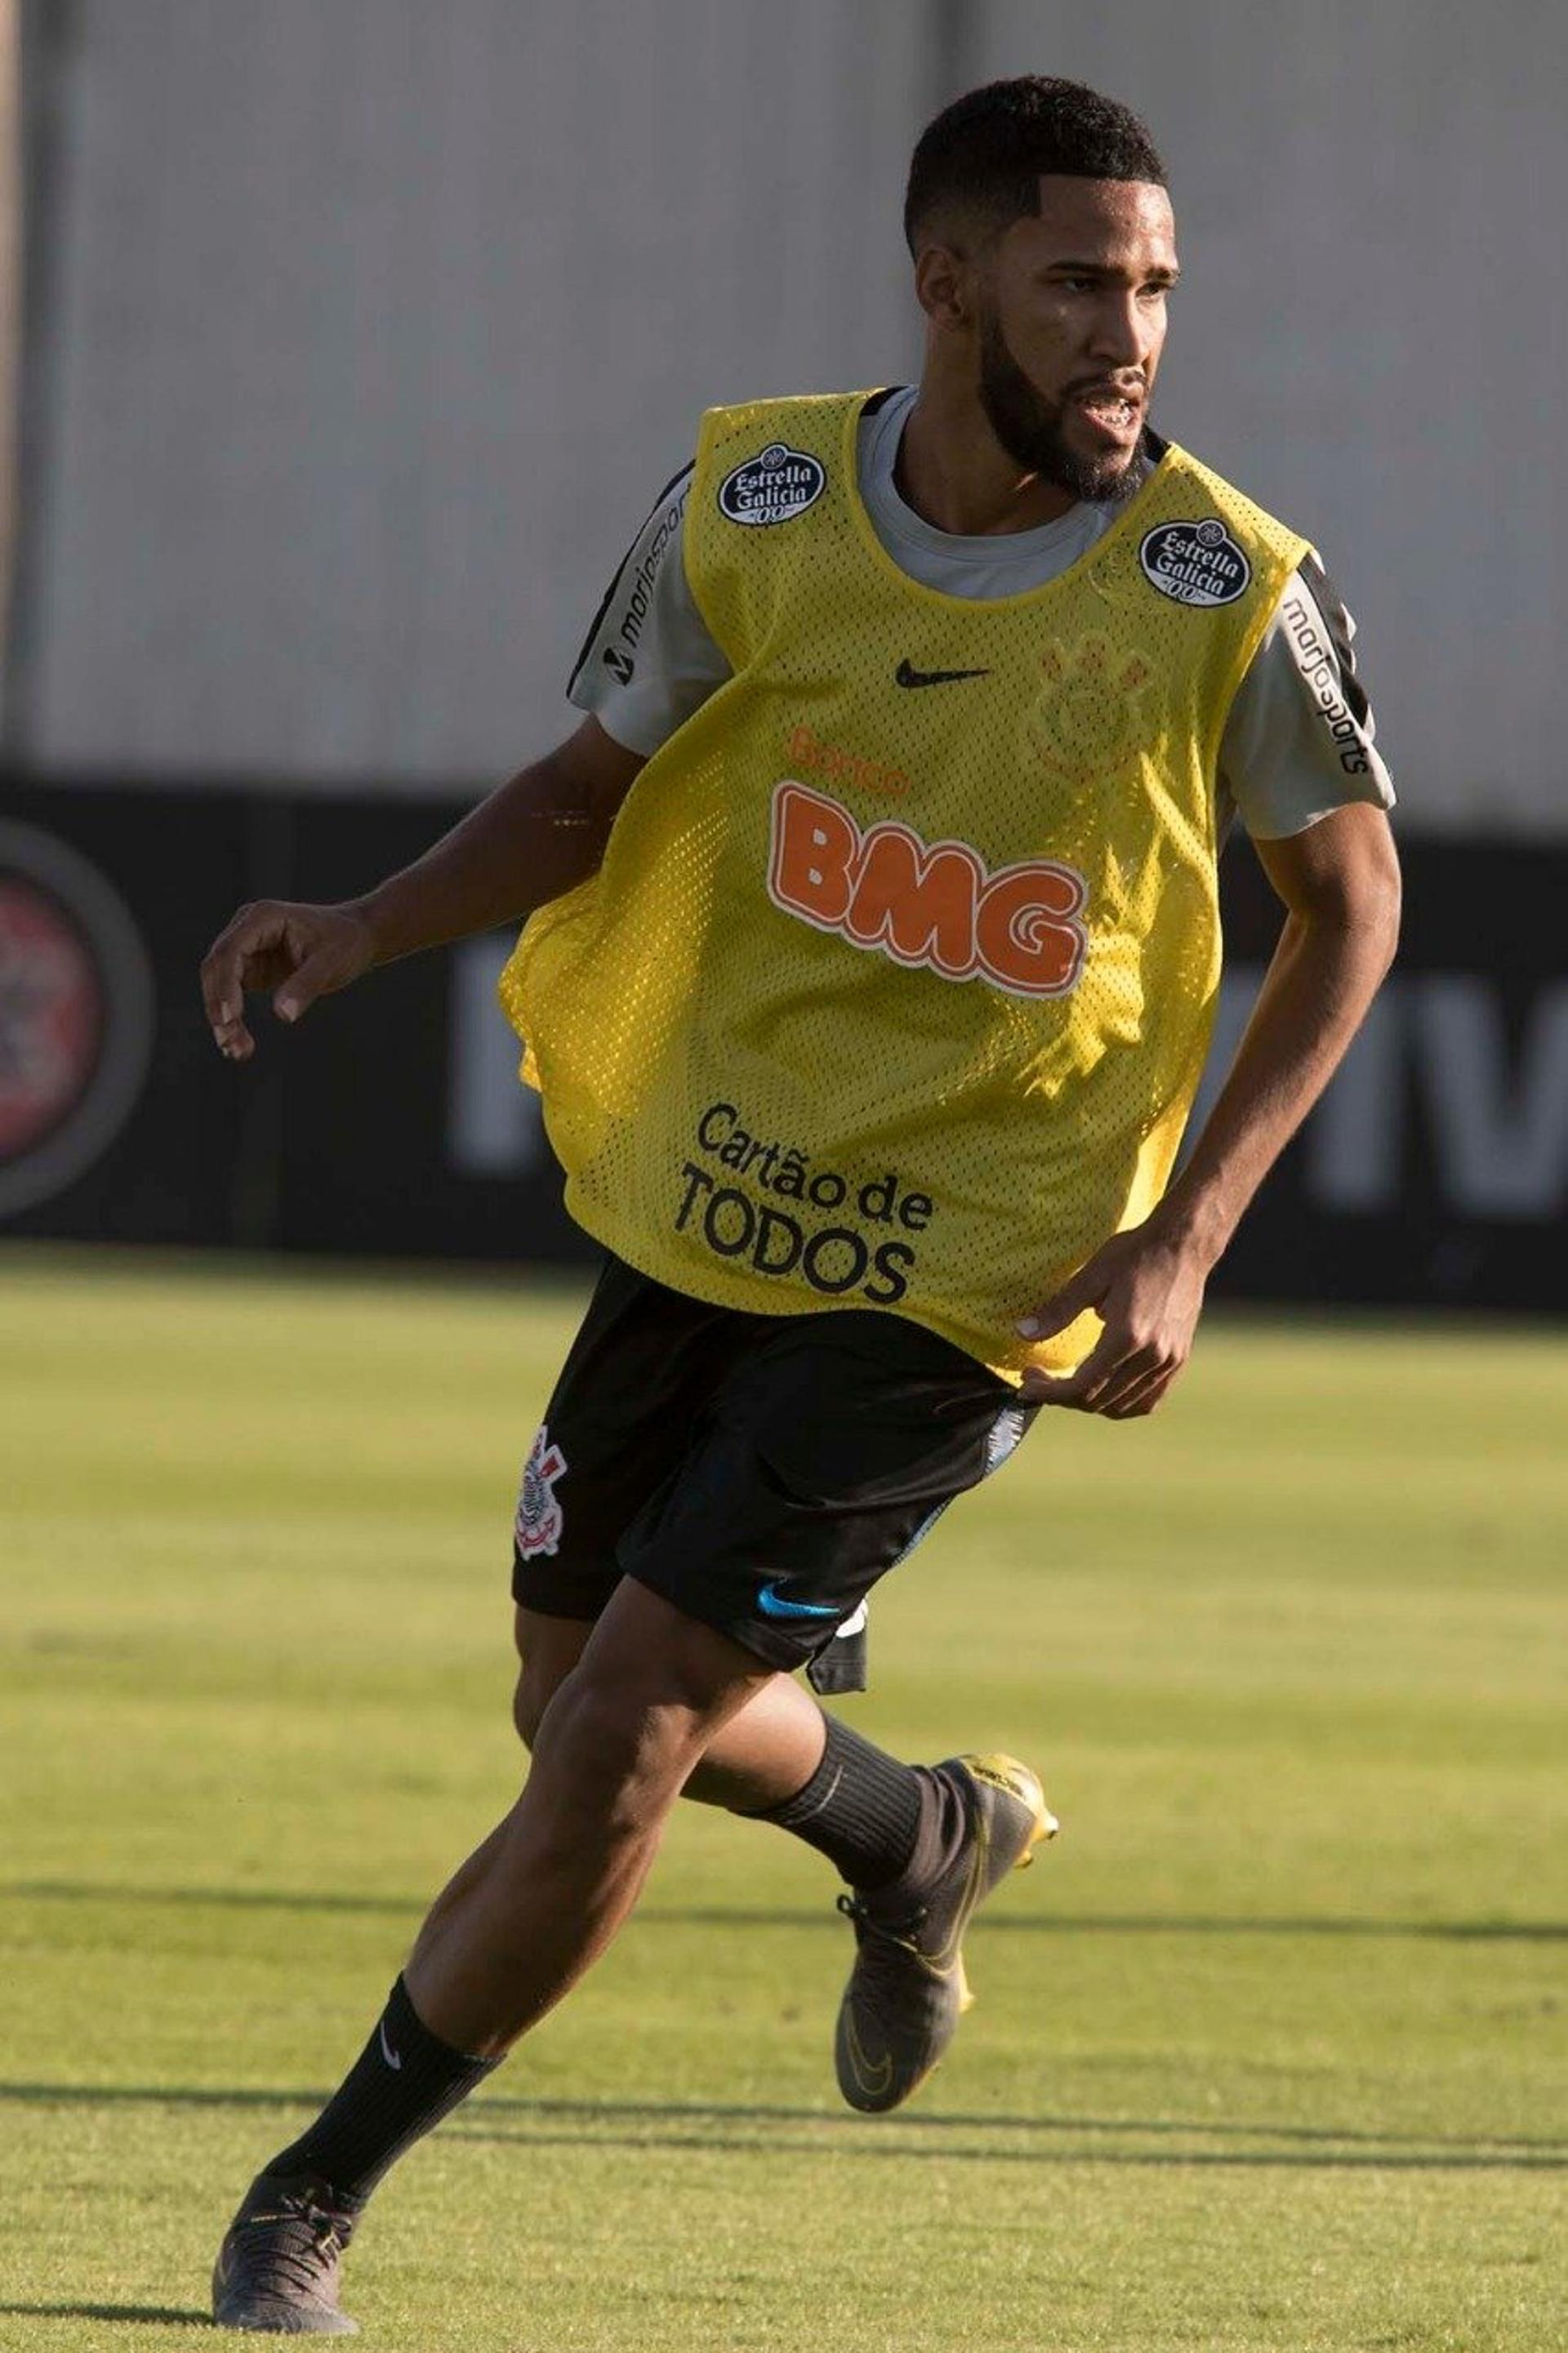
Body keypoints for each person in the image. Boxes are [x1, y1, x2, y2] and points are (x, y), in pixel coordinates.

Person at [200, 75, 1400, 2335]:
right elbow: (586, 792)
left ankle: (308, 2195)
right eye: (1079, 283)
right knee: (568, 1704)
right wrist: (365, 923)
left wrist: (1189, 1231)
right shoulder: (753, 498)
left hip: (975, 1268)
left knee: (635, 1721)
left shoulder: (1224, 587)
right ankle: (912, 1829)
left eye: (1153, 285)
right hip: (712, 1199)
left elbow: (1351, 908)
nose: (1130, 330)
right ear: (950, 289)